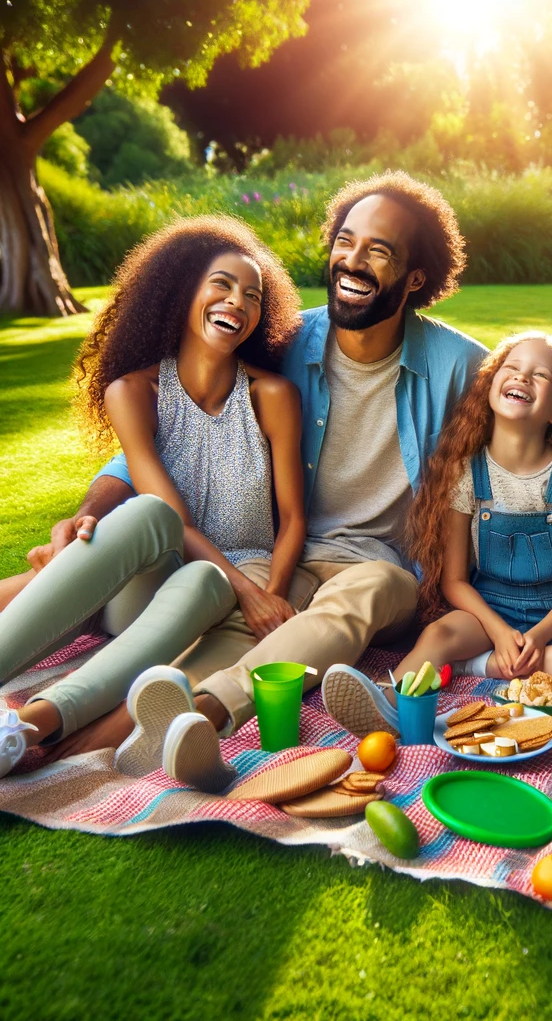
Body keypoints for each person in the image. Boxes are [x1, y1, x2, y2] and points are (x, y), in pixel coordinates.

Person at [26, 171, 487, 790]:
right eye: (345, 241)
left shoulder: (460, 367)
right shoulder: (288, 341)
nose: (352, 260)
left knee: (369, 589)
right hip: (283, 559)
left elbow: (501, 473)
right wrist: (94, 505)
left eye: (378, 250)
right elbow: (164, 436)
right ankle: (80, 737)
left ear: (415, 279)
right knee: (229, 633)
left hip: (382, 568)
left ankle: (208, 712)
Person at [0, 216, 304, 778]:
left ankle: (23, 730)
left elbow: (292, 520)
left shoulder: (273, 395)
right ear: (181, 292)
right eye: (222, 284)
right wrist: (248, 591)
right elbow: (172, 520)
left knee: (206, 577)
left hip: (226, 578)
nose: (237, 300)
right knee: (150, 513)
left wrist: (272, 594)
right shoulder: (133, 392)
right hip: (151, 572)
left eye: (253, 294)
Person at [392, 333, 552, 684]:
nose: (522, 377)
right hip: (486, 617)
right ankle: (386, 702)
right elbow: (454, 581)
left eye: (540, 375)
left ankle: (485, 666)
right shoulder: (466, 475)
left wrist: (538, 637)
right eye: (511, 368)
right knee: (438, 635)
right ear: (490, 386)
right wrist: (498, 632)